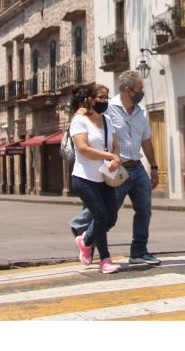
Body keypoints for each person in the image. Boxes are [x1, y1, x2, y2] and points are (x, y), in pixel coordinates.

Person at [73, 70, 161, 267]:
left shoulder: (142, 111)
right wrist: (80, 111)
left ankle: (139, 251)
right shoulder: (108, 108)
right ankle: (87, 239)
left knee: (144, 210)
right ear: (127, 90)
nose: (142, 93)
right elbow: (88, 116)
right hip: (116, 170)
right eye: (139, 89)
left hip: (137, 167)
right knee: (108, 215)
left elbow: (146, 141)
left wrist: (154, 166)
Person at [69, 84, 122, 274]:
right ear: (90, 99)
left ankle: (86, 240)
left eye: (107, 97)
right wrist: (109, 156)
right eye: (100, 97)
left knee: (111, 218)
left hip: (105, 177)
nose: (104, 101)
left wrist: (115, 158)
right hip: (84, 178)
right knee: (100, 215)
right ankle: (105, 260)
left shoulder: (107, 120)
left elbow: (115, 145)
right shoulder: (79, 121)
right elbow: (83, 148)